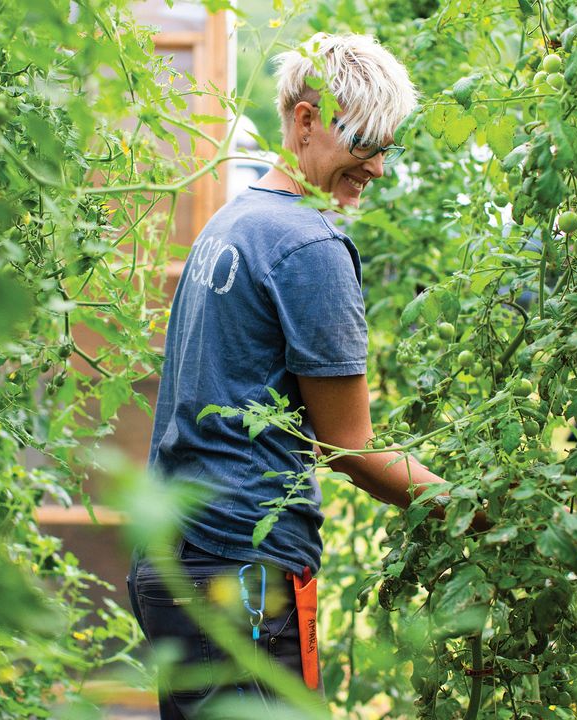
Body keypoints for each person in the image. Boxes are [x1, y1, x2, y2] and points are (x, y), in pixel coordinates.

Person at [126, 33, 448, 718]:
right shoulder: (310, 245)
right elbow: (351, 449)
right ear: (305, 121)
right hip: (243, 573)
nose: (379, 167)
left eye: (387, 146)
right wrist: (479, 508)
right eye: (365, 141)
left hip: (175, 565)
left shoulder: (231, 224)